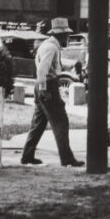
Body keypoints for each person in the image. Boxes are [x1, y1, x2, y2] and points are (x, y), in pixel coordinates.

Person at [21, 18, 84, 167]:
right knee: (61, 122)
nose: (67, 37)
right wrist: (44, 90)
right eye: (66, 34)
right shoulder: (51, 47)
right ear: (60, 35)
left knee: (38, 124)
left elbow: (53, 67)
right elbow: (43, 70)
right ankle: (67, 159)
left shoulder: (48, 45)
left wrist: (73, 65)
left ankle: (27, 156)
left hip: (42, 86)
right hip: (48, 86)